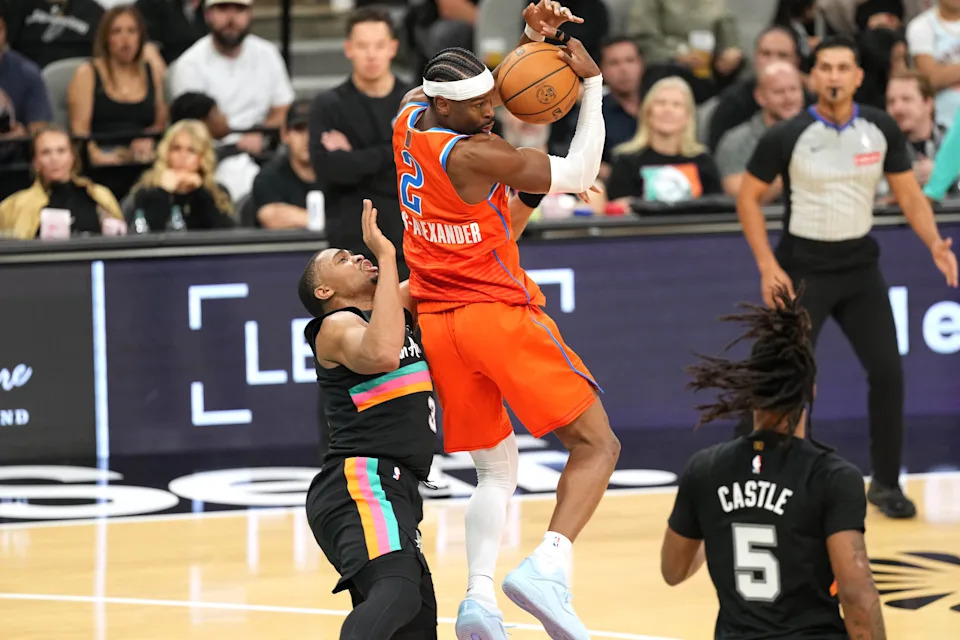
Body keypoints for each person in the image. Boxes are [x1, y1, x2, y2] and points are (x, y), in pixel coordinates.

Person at [391, 2, 621, 639]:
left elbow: (460, 88)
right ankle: (549, 565)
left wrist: (530, 44)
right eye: (478, 107)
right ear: (445, 108)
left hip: (441, 324)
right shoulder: (473, 157)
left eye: (493, 98)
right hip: (495, 312)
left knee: (496, 468)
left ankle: (478, 600)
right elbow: (578, 173)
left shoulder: (407, 123)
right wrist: (592, 86)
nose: (491, 111)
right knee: (598, 444)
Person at [736, 36, 959, 519]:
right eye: (826, 67)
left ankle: (886, 483)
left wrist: (934, 243)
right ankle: (755, 476)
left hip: (859, 269)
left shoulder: (879, 128)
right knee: (781, 376)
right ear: (813, 76)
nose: (834, 76)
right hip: (802, 270)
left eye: (844, 67)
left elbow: (909, 195)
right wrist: (767, 265)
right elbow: (748, 198)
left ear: (858, 76)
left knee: (888, 372)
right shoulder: (788, 135)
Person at [661, 285, 888, 640]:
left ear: (751, 390)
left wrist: (724, 518)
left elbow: (673, 570)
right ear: (811, 391)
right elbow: (857, 596)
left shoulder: (705, 470)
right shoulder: (832, 477)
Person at [300, 199, 438, 640]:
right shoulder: (335, 325)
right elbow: (380, 354)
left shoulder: (388, 311)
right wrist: (384, 255)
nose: (356, 255)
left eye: (355, 253)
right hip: (360, 481)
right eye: (342, 259)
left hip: (396, 487)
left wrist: (529, 195)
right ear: (325, 292)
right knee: (397, 593)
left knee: (416, 623)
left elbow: (462, 263)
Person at [308, 6, 412, 277]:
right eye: (362, 46)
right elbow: (329, 170)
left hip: (409, 246)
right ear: (348, 49)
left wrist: (354, 158)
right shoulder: (327, 105)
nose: (371, 54)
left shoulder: (415, 103)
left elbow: (420, 170)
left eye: (379, 45)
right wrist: (394, 152)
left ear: (393, 48)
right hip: (350, 252)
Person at [67, 5, 167, 166]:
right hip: (101, 158)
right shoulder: (87, 73)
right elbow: (80, 132)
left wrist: (148, 140)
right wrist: (97, 156)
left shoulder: (152, 71)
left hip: (142, 158)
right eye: (116, 32)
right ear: (106, 37)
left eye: (132, 31)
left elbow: (160, 123)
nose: (125, 40)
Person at [606, 77, 722, 205]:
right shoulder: (626, 162)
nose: (668, 110)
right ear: (648, 113)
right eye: (661, 103)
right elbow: (617, 210)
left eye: (676, 105)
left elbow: (716, 209)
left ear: (687, 116)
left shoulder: (703, 161)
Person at [0, 125, 123, 239]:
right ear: (36, 162)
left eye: (61, 151)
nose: (54, 158)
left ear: (72, 157)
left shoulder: (99, 196)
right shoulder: (17, 204)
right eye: (46, 152)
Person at [717, 62, 805, 202]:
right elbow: (740, 196)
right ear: (760, 97)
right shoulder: (736, 141)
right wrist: (795, 169)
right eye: (779, 92)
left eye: (794, 90)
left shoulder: (818, 133)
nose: (789, 98)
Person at [129, 119, 235, 230]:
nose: (183, 156)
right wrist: (162, 192)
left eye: (191, 150)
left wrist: (200, 192)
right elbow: (145, 232)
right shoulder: (146, 190)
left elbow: (225, 233)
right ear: (166, 152)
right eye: (176, 149)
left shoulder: (217, 193)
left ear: (203, 157)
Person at [252, 99, 317, 229]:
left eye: (313, 129)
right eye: (299, 130)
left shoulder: (340, 174)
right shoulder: (268, 177)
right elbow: (270, 217)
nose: (307, 138)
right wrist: (327, 220)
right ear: (284, 134)